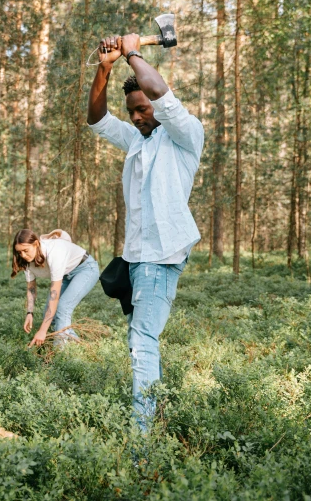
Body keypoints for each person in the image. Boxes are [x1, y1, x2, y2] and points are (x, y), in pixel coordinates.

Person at [87, 34, 204, 430]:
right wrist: (105, 69)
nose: (136, 117)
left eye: (142, 109)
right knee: (142, 342)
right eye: (132, 111)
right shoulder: (138, 140)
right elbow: (98, 120)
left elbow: (160, 91)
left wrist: (133, 51)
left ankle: (143, 443)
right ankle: (154, 416)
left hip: (161, 256)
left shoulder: (185, 135)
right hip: (135, 257)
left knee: (142, 344)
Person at [11, 228, 100, 348]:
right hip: (66, 274)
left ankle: (59, 355)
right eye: (19, 252)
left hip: (85, 268)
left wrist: (42, 331)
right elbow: (31, 288)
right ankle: (80, 347)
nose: (23, 255)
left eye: (26, 250)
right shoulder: (26, 261)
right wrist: (29, 313)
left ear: (36, 244)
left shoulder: (54, 253)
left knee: (62, 308)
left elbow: (55, 296)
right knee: (49, 318)